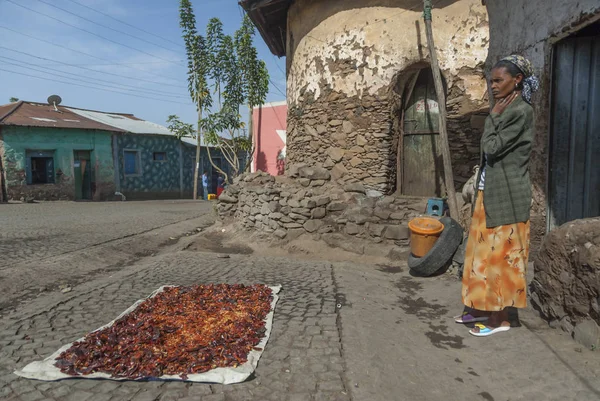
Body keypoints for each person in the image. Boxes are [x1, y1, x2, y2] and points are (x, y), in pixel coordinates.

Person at [456, 55, 540, 337]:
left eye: (498, 80)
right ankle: (481, 307)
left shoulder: (519, 111)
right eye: (490, 81)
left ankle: (501, 319)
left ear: (517, 80)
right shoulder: (507, 108)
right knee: (481, 253)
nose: (492, 86)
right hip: (489, 190)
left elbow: (492, 147)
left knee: (502, 257)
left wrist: (492, 119)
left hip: (507, 194)